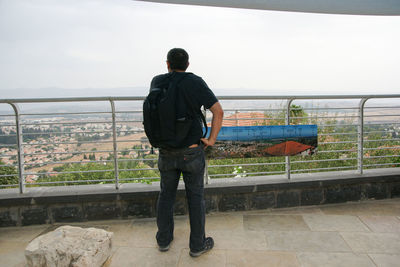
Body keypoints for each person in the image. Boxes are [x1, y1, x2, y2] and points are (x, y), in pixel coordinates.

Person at [150, 48, 223, 257]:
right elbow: (218, 111)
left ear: (167, 64)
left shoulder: (157, 81)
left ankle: (163, 241)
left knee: (166, 197)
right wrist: (211, 140)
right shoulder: (195, 81)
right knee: (196, 198)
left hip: (166, 151)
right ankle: (197, 245)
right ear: (188, 65)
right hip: (191, 151)